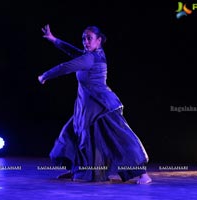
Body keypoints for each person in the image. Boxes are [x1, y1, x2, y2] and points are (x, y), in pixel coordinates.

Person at [38, 24, 152, 184]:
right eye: (83, 38)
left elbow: (66, 67)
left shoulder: (91, 58)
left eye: (89, 38)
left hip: (102, 106)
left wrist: (45, 76)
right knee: (76, 136)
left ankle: (142, 174)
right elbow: (73, 52)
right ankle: (79, 170)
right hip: (87, 107)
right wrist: (54, 39)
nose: (85, 41)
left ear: (99, 40)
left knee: (118, 139)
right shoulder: (91, 55)